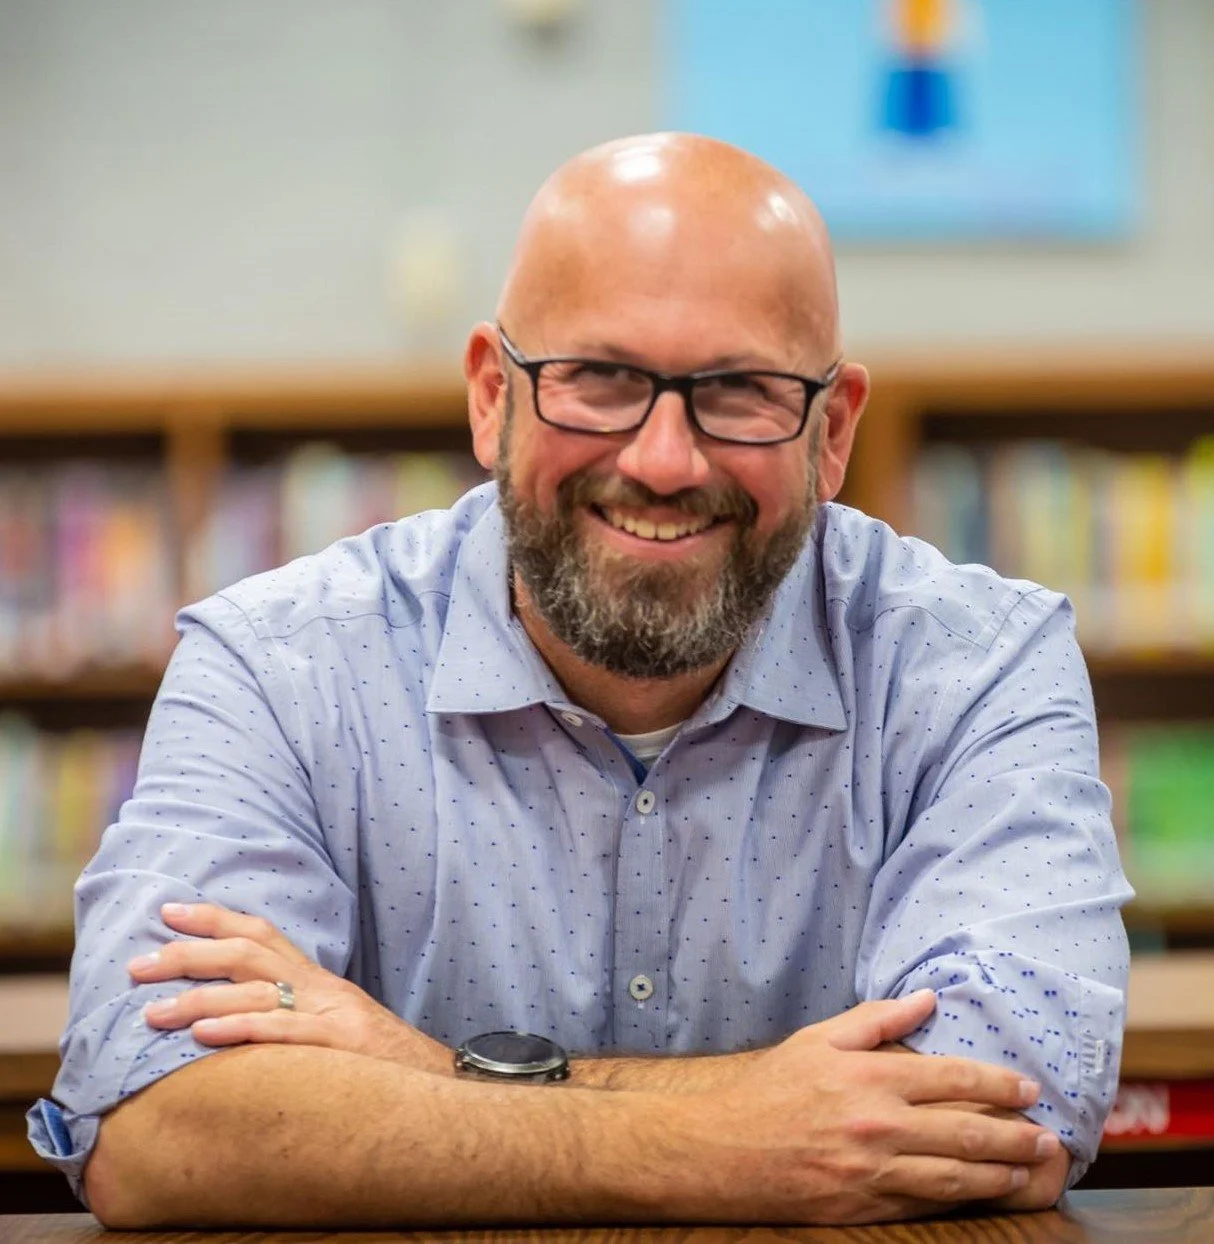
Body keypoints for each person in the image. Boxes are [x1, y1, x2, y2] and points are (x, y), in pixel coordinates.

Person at [30, 132, 1130, 1228]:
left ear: (830, 431)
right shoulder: (277, 666)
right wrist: (724, 1136)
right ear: (488, 397)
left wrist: (427, 1068)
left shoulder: (980, 665)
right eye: (597, 380)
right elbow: (156, 1123)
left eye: (739, 390)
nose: (662, 459)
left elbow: (1009, 1101)